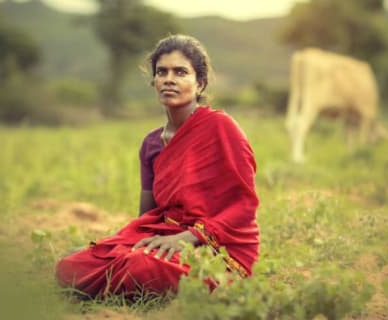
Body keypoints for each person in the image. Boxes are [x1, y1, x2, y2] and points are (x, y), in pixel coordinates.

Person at [55, 34, 259, 298]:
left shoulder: (221, 128)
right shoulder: (151, 143)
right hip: (167, 236)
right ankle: (119, 275)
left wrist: (186, 239)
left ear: (200, 84)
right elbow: (148, 216)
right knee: (70, 265)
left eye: (180, 72)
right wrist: (124, 244)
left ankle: (124, 278)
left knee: (138, 265)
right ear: (154, 82)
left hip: (218, 246)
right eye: (162, 72)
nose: (169, 79)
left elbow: (244, 206)